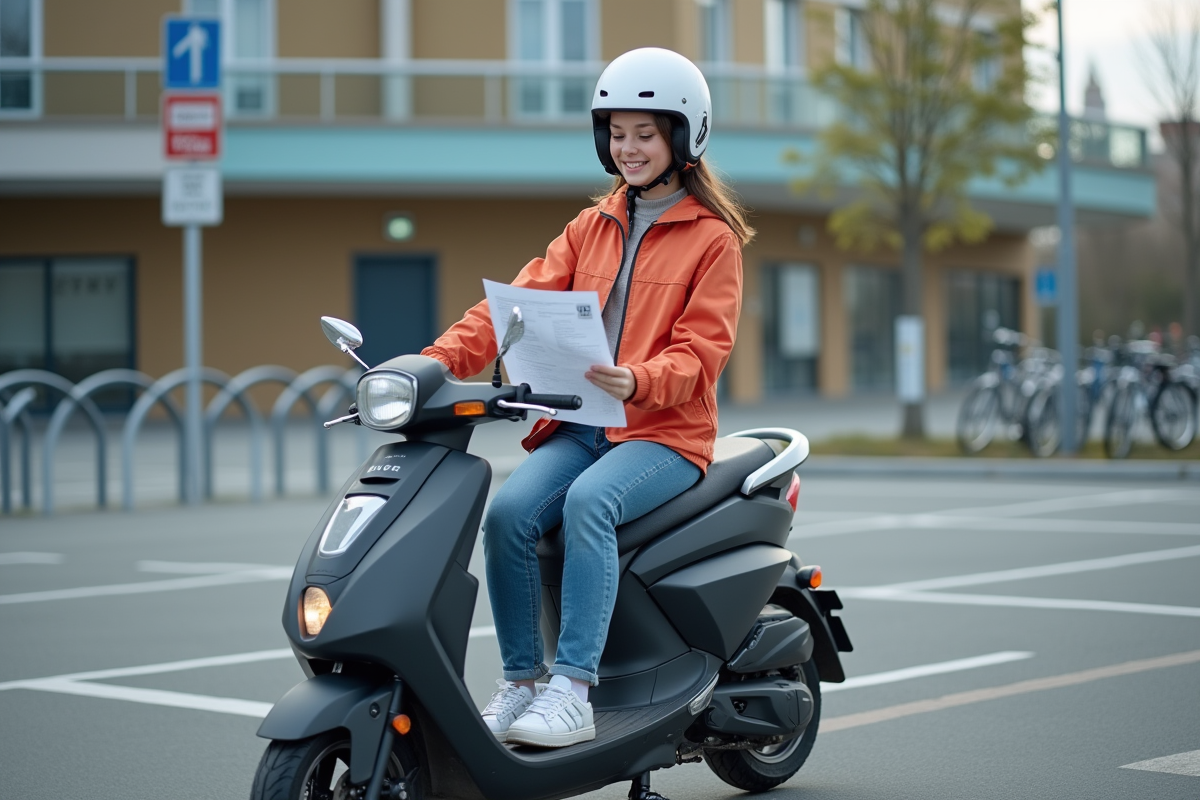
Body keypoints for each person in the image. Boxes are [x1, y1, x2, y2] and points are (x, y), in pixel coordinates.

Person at [420, 47, 754, 748]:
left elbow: (703, 352)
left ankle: (572, 689)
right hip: (581, 424)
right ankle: (521, 682)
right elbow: (509, 310)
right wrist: (432, 362)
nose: (627, 148)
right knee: (508, 513)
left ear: (683, 137)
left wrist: (642, 380)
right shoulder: (589, 226)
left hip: (664, 435)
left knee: (587, 505)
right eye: (617, 132)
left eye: (645, 133)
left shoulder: (713, 240)